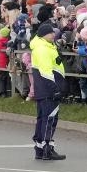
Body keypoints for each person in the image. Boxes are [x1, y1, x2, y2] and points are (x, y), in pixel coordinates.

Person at [30, 22, 67, 160]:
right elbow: (46, 71)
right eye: (51, 33)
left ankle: (39, 149)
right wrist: (55, 89)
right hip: (48, 89)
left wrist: (58, 56)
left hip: (43, 89)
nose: (53, 34)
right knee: (49, 118)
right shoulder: (43, 49)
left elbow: (52, 64)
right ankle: (47, 148)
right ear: (44, 34)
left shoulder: (43, 46)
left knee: (42, 118)